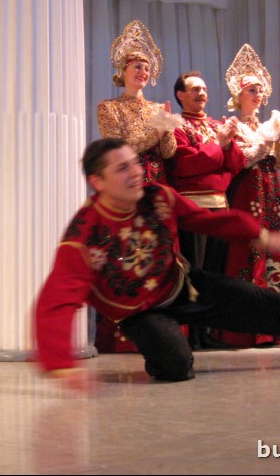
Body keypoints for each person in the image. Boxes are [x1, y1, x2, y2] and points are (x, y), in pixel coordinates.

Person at [33, 137, 280, 390]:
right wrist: (61, 365)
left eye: (135, 163)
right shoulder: (83, 235)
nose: (137, 172)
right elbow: (57, 300)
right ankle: (165, 348)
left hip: (184, 285)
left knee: (271, 304)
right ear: (98, 181)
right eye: (123, 168)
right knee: (175, 367)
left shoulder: (158, 196)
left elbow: (208, 220)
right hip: (138, 311)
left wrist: (260, 235)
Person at [94, 19, 181, 352]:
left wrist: (168, 129)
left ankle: (165, 331)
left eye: (146, 67)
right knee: (126, 254)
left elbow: (169, 151)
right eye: (136, 66)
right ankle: (124, 337)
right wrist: (158, 129)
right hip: (124, 186)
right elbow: (121, 147)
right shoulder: (109, 107)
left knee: (160, 256)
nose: (142, 71)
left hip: (155, 186)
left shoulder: (158, 107)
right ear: (123, 70)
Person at [211, 43, 280, 348]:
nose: (258, 95)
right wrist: (266, 139)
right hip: (247, 192)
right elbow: (243, 158)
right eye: (252, 90)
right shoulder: (230, 125)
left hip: (270, 192)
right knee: (249, 251)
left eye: (260, 90)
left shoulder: (266, 125)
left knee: (275, 252)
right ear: (239, 95)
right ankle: (248, 328)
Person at [166, 71, 244, 349]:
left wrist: (226, 143)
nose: (202, 93)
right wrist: (217, 147)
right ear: (180, 95)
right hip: (193, 208)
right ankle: (192, 334)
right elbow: (185, 166)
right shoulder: (175, 126)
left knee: (215, 274)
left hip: (220, 205)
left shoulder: (215, 125)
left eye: (205, 88)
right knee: (194, 273)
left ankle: (208, 331)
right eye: (195, 89)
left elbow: (234, 165)